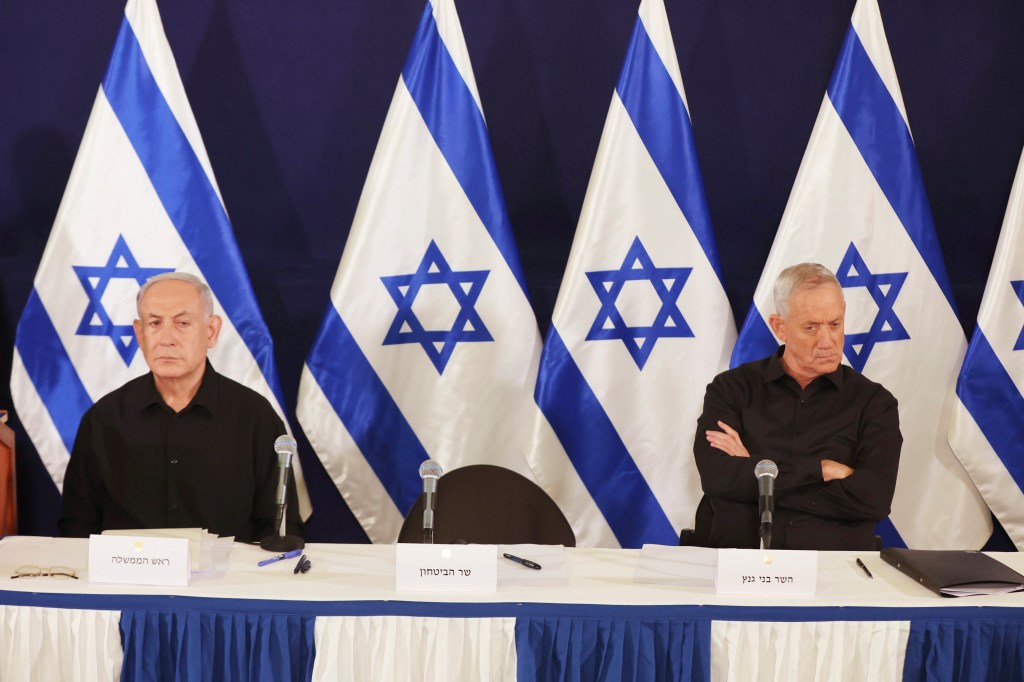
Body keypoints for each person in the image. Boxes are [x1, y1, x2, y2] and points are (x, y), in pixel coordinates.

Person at [59, 272, 302, 543]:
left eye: (182, 323)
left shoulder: (254, 416)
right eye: (154, 323)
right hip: (128, 580)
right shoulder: (104, 419)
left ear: (211, 331)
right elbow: (76, 527)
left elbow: (279, 526)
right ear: (140, 334)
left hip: (225, 580)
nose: (166, 339)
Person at [691, 263, 901, 550]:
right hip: (737, 565)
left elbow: (873, 500)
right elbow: (717, 477)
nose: (827, 341)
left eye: (835, 324)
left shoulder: (875, 403)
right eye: (811, 327)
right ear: (780, 327)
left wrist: (760, 472)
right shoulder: (731, 390)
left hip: (836, 574)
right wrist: (821, 470)